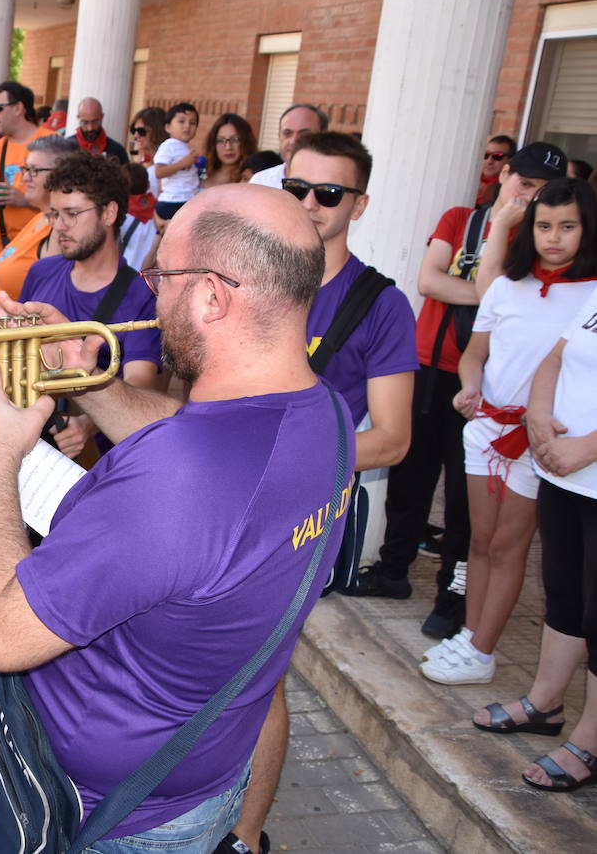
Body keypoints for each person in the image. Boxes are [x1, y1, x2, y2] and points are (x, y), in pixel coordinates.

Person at [0, 182, 349, 851]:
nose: (153, 295)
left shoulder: (175, 485)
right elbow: (201, 431)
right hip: (203, 771)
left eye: (162, 275)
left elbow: (0, 637)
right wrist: (90, 383)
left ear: (210, 296)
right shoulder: (328, 415)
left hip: (107, 813)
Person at [0, 150, 161, 757]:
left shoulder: (138, 297)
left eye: (70, 214)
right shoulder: (42, 275)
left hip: (89, 483)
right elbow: (6, 360)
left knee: (59, 612)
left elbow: (145, 394)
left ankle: (37, 733)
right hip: (17, 457)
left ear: (111, 214)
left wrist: (91, 431)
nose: (57, 226)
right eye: (52, 213)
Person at [223, 132, 417, 854]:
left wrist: (291, 464)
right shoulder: (250, 277)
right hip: (223, 501)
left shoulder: (382, 305)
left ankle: (246, 837)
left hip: (301, 514)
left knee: (260, 676)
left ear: (358, 204)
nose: (308, 205)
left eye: (328, 195)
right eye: (296, 189)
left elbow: (393, 438)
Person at [355, 142, 568, 637]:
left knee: (463, 498)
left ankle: (455, 592)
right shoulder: (460, 220)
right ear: (506, 173)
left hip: (481, 381)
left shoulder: (529, 244)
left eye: (540, 190)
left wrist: (484, 286)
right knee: (409, 478)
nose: (528, 195)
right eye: (525, 181)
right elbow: (430, 281)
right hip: (426, 367)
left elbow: (501, 298)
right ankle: (392, 571)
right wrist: (487, 291)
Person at [422, 175, 597, 686]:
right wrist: (469, 388)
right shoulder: (503, 286)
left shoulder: (591, 294)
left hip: (536, 442)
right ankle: (472, 635)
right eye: (544, 226)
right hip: (484, 429)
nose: (554, 237)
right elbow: (475, 355)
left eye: (568, 226)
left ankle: (482, 649)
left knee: (507, 546)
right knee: (479, 541)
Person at [471, 263, 597, 792]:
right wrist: (539, 417)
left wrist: (585, 448)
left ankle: (590, 743)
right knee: (565, 593)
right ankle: (545, 702)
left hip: (582, 463)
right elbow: (556, 357)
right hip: (566, 475)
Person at [0, 134, 76, 309]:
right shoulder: (40, 217)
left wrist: (1, 320)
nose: (25, 177)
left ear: (62, 174)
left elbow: (50, 305)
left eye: (34, 170)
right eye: (25, 169)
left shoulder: (61, 231)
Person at [0, 80, 53, 267]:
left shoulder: (52, 144)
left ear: (18, 108)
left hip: (41, 260)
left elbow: (70, 199)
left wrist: (26, 200)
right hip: (0, 259)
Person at [249, 104, 328, 189]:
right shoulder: (261, 182)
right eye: (287, 133)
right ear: (279, 136)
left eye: (305, 134)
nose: (293, 141)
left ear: (323, 136)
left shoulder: (332, 185)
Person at [153, 102, 201, 220]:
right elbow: (159, 172)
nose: (187, 126)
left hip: (186, 199)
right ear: (168, 127)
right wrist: (183, 163)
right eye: (181, 121)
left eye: (192, 123)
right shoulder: (168, 145)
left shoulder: (185, 147)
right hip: (174, 201)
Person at [202, 113, 256, 188]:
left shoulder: (252, 178)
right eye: (221, 140)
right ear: (213, 143)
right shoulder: (202, 171)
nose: (228, 147)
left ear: (246, 142)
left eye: (235, 139)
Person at [72, 97, 127, 163]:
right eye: (85, 122)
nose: (90, 128)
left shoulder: (117, 151)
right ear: (78, 118)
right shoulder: (66, 148)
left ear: (102, 117)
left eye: (95, 122)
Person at [477, 135, 517, 207]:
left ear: (511, 160)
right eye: (486, 154)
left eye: (497, 156)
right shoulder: (471, 179)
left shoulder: (511, 189)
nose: (489, 161)